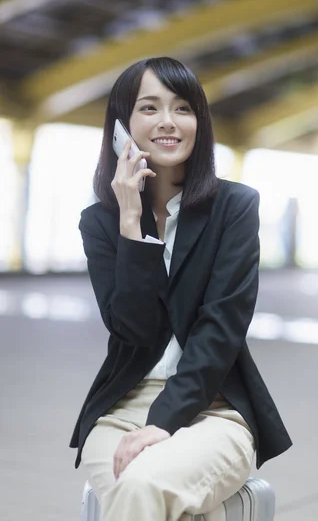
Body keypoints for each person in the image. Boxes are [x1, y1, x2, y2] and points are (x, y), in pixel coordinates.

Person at [70, 57, 292, 521]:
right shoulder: (101, 223)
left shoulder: (234, 207)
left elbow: (220, 330)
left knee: (142, 488)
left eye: (182, 108)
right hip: (121, 409)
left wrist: (163, 423)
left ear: (199, 122)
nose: (168, 122)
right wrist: (132, 224)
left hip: (215, 407)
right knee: (167, 503)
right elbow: (132, 327)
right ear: (122, 126)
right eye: (149, 108)